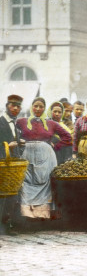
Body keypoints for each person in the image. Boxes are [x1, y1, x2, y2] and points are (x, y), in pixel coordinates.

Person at [16, 97, 71, 219]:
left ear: (44, 108)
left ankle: (42, 215)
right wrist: (18, 143)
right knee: (26, 181)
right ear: (32, 107)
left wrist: (55, 147)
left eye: (41, 107)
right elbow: (12, 133)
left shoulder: (51, 123)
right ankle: (27, 214)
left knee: (45, 182)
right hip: (27, 156)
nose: (38, 109)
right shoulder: (22, 121)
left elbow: (67, 137)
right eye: (36, 106)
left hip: (46, 157)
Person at [0, 95, 24, 235]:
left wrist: (20, 144)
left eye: (18, 106)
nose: (15, 108)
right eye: (12, 105)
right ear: (6, 105)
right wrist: (7, 146)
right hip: (2, 164)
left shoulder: (15, 124)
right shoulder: (1, 122)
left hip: (12, 165)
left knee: (12, 194)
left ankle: (7, 225)